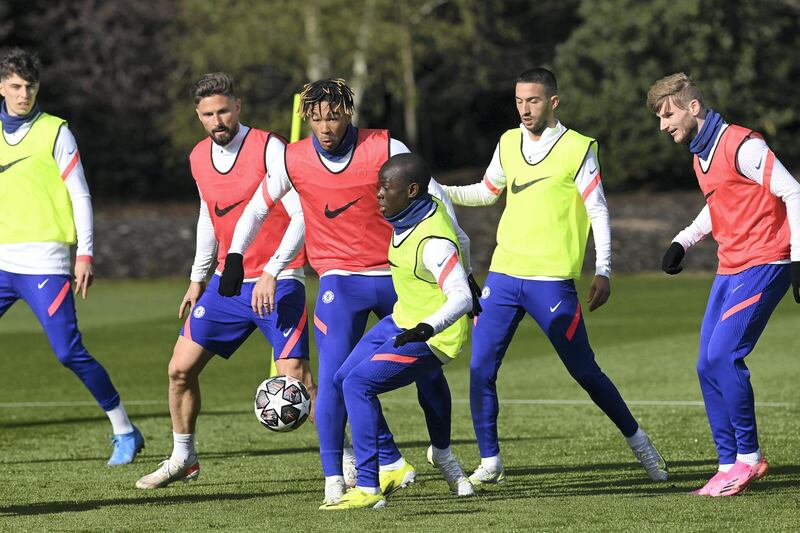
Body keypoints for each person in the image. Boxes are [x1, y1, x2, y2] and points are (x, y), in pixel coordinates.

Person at [221, 78, 480, 505]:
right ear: (307, 117)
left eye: (334, 116)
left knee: (429, 374)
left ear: (349, 113)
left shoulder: (385, 147)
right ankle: (336, 480)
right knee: (337, 378)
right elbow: (258, 206)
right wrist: (235, 256)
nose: (325, 126)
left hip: (398, 278)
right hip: (339, 280)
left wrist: (465, 271)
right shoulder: (293, 158)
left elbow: (440, 204)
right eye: (317, 117)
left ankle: (444, 454)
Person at [441, 67, 668, 487]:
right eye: (519, 101)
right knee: (480, 369)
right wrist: (441, 189)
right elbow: (487, 191)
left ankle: (642, 446)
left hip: (552, 281)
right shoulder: (508, 141)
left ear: (553, 102)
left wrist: (603, 269)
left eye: (533, 101)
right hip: (504, 275)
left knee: (585, 372)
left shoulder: (578, 148)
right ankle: (490, 460)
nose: (525, 109)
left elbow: (598, 209)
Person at [135, 72, 313, 489]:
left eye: (224, 111)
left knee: (297, 380)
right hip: (225, 284)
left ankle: (347, 460)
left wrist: (274, 270)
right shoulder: (198, 156)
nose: (218, 120)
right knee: (179, 369)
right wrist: (198, 279)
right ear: (199, 116)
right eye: (208, 114)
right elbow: (206, 218)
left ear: (238, 107)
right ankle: (184, 457)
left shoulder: (270, 148)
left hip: (279, 280)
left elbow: (302, 214)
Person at [647, 73, 800, 497]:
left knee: (724, 354)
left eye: (668, 114)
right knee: (705, 364)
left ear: (692, 107)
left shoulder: (743, 145)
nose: (663, 125)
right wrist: (683, 240)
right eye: (659, 118)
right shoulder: (701, 154)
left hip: (765, 261)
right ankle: (727, 463)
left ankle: (749, 460)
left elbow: (794, 193)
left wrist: (798, 260)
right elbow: (721, 204)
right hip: (729, 265)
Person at [0, 48, 144, 465]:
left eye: (30, 86)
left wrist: (85, 253)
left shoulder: (55, 131)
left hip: (46, 262)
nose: (23, 94)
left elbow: (80, 194)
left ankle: (124, 430)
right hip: (2, 262)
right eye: (15, 86)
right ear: (2, 87)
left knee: (67, 351)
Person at [321, 153, 474, 510]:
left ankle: (370, 486)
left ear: (412, 190)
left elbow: (462, 299)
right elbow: (464, 238)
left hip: (433, 336)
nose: (378, 195)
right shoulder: (416, 210)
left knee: (359, 385)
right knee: (343, 379)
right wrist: (467, 270)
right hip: (404, 318)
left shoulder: (432, 242)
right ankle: (398, 462)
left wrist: (428, 326)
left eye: (386, 188)